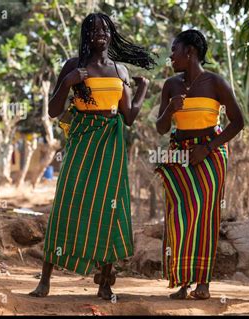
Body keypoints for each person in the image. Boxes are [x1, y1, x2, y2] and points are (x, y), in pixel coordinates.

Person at [29, 12, 155, 300]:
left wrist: (143, 90)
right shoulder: (73, 66)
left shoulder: (120, 70)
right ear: (86, 35)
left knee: (109, 209)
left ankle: (105, 284)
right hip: (82, 137)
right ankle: (45, 280)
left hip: (111, 140)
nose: (100, 33)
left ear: (111, 35)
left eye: (105, 29)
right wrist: (68, 82)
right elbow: (52, 110)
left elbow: (129, 117)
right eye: (93, 29)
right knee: (66, 201)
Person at [156, 29, 244, 300]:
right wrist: (171, 110)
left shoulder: (215, 83)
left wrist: (207, 148)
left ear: (190, 51)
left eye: (174, 49)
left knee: (204, 218)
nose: (170, 55)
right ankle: (182, 282)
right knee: (178, 218)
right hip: (179, 154)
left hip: (210, 155)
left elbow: (238, 122)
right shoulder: (171, 85)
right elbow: (161, 127)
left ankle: (203, 282)